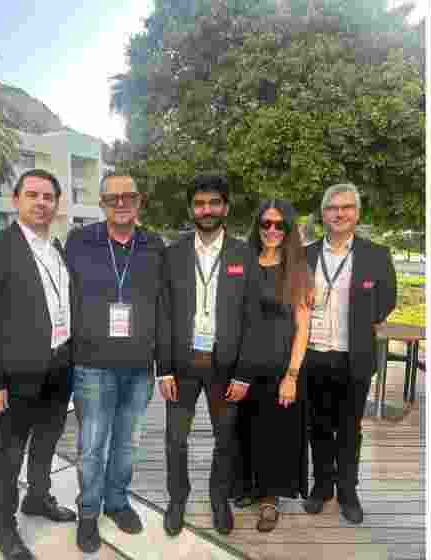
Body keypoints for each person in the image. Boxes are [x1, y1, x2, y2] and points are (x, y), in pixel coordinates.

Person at [0, 170, 77, 560]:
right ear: (16, 200)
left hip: (60, 367)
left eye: (49, 196)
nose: (41, 202)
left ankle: (37, 497)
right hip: (15, 376)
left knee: (47, 442)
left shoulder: (57, 249)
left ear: (56, 204)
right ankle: (5, 528)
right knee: (9, 454)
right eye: (33, 194)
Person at [66, 173, 166, 553]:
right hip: (91, 364)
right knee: (92, 445)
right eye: (112, 198)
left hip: (140, 366)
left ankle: (117, 502)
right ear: (102, 203)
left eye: (128, 197)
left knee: (127, 444)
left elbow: (165, 305)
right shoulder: (79, 242)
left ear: (139, 201)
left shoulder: (155, 245)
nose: (121, 203)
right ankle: (88, 511)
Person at [157, 174, 251, 537]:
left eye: (214, 203)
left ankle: (219, 498)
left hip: (226, 367)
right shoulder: (173, 254)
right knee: (175, 439)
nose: (207, 210)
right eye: (200, 204)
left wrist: (243, 374)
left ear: (225, 207)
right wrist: (162, 368)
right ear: (191, 209)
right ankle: (177, 498)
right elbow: (163, 313)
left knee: (225, 438)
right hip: (181, 367)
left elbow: (251, 318)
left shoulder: (244, 254)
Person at [301, 183, 397, 524]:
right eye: (332, 208)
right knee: (318, 426)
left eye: (346, 208)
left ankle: (347, 489)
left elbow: (387, 300)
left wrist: (361, 323)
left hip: (352, 356)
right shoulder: (306, 255)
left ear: (357, 213)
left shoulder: (376, 255)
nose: (339, 214)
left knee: (350, 427)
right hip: (312, 354)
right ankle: (322, 485)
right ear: (323, 214)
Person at [236, 199, 311, 532]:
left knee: (275, 434)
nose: (272, 230)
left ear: (289, 229)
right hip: (242, 365)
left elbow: (303, 328)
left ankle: (270, 498)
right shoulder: (243, 261)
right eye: (266, 223)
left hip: (280, 367)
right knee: (244, 429)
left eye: (279, 225)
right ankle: (248, 487)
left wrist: (292, 375)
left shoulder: (297, 269)